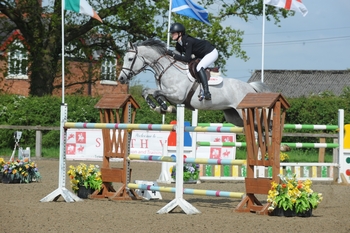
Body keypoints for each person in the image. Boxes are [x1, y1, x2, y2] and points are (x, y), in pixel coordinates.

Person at [166, 23, 218, 100]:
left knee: (199, 67)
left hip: (211, 52)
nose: (172, 35)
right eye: (172, 33)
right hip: (201, 55)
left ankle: (207, 92)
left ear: (180, 33)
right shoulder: (179, 44)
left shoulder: (188, 41)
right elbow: (177, 56)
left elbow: (186, 59)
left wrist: (173, 55)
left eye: (173, 33)